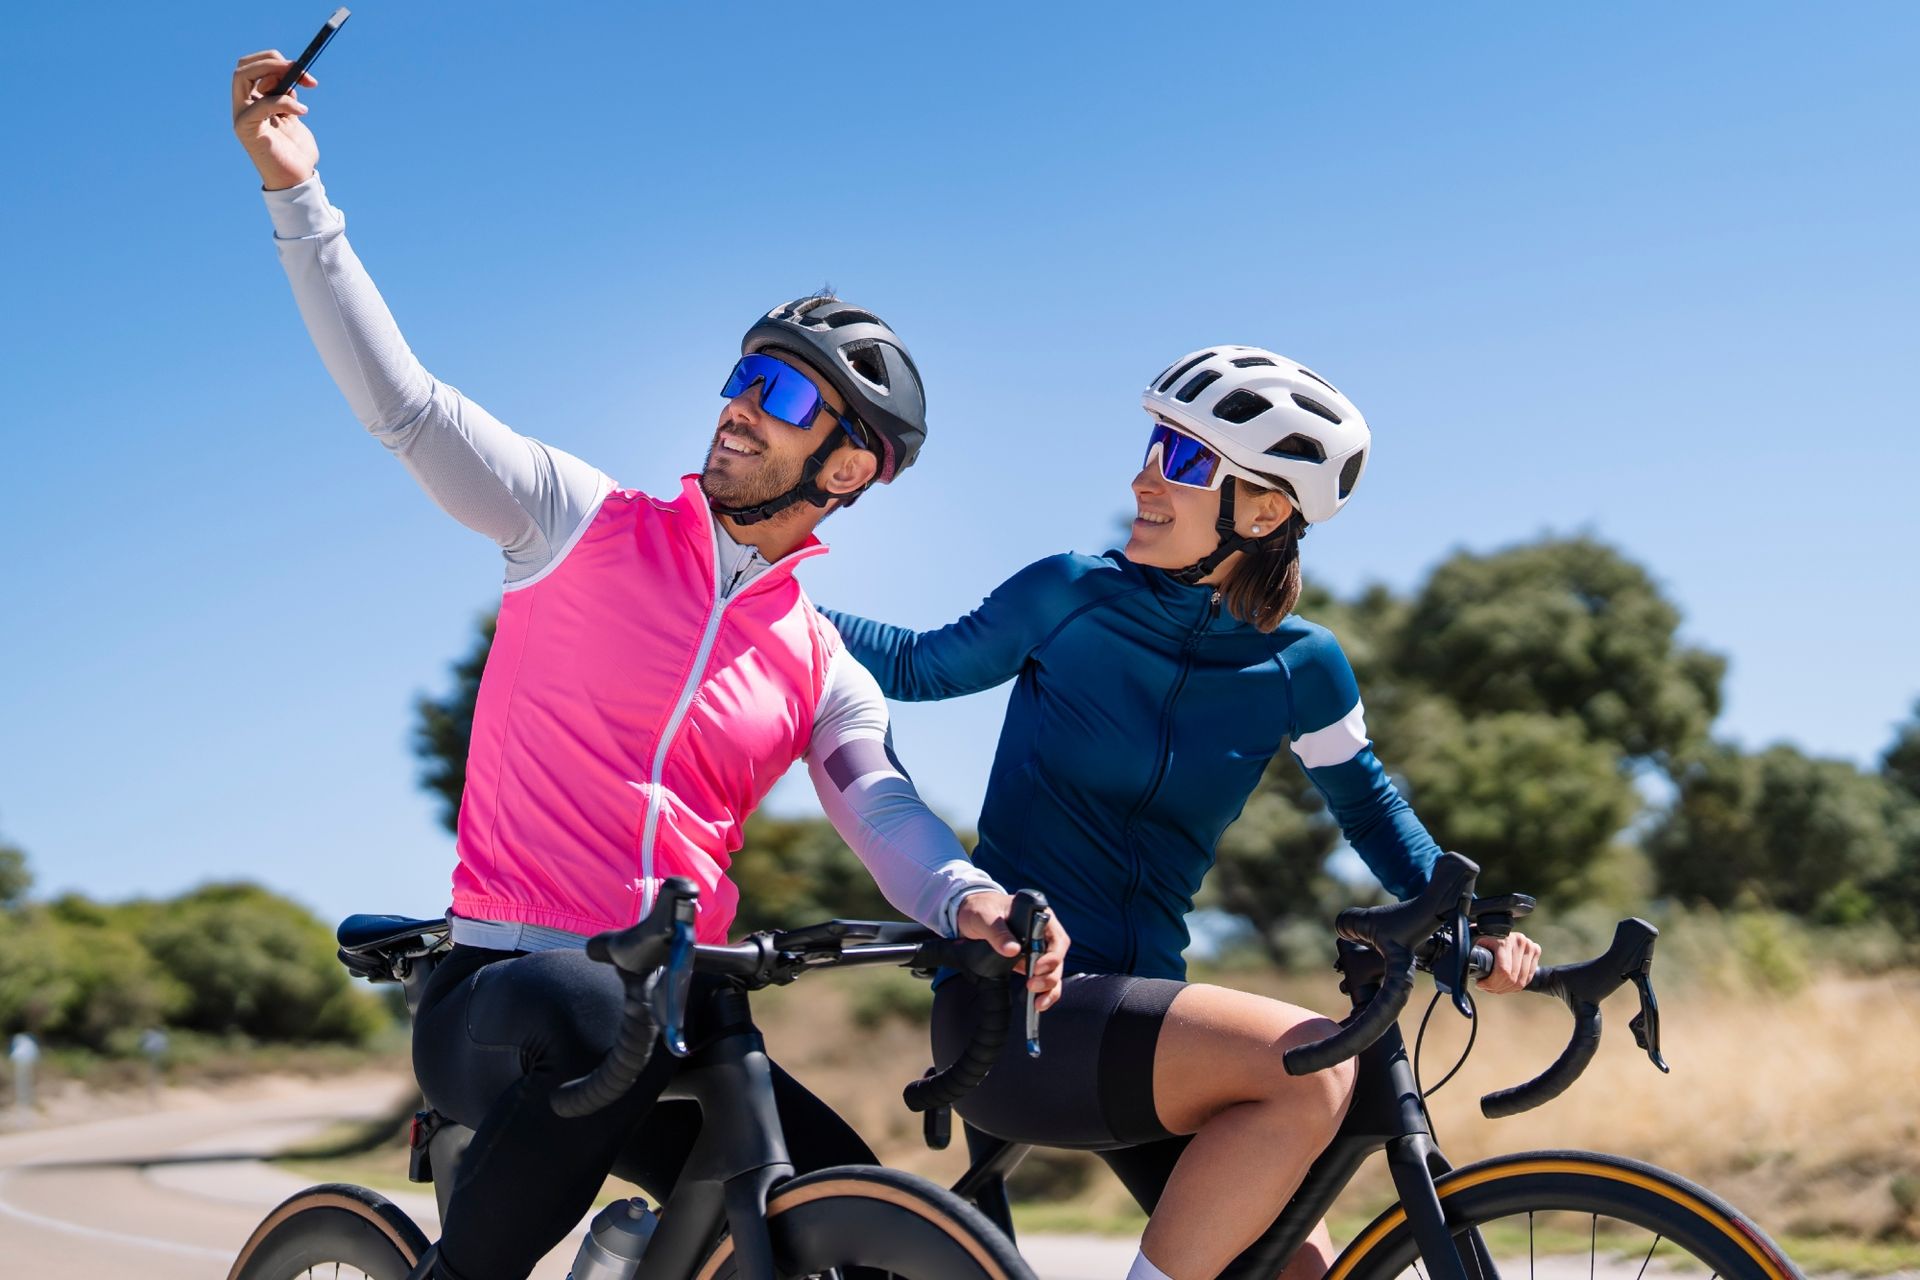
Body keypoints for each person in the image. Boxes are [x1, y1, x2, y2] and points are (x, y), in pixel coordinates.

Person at [229, 49, 1066, 1280]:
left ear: (846, 466)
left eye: (781, 390)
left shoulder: (818, 658)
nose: (738, 402)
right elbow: (402, 405)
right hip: (508, 988)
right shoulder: (576, 523)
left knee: (864, 1220)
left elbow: (883, 805)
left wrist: (970, 898)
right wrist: (298, 196)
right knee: (595, 1006)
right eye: (743, 372)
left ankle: (635, 1254)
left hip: (677, 1004)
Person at [827, 347, 1542, 1280]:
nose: (1145, 480)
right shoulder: (1072, 594)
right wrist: (753, 603)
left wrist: (1471, 931)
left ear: (1265, 509)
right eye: (1155, 447)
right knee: (1313, 1067)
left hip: (1151, 1030)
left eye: (1186, 461)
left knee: (1298, 1274)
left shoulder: (1304, 665)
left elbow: (1372, 814)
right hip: (1019, 1013)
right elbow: (919, 665)